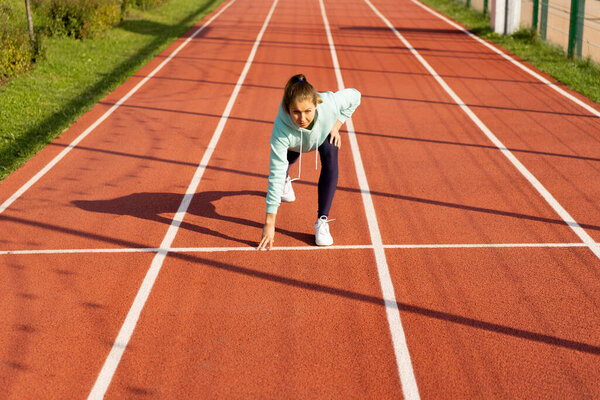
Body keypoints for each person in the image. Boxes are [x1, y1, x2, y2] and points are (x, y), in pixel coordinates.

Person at [257, 74, 361, 250]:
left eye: (307, 111)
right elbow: (275, 170)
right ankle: (286, 179)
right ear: (288, 109)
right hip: (296, 143)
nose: (302, 118)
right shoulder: (281, 128)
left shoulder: (329, 102)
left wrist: (337, 124)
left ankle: (322, 221)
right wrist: (270, 222)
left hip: (323, 136)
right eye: (295, 112)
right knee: (284, 166)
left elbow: (355, 95)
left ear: (316, 104)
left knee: (331, 153)